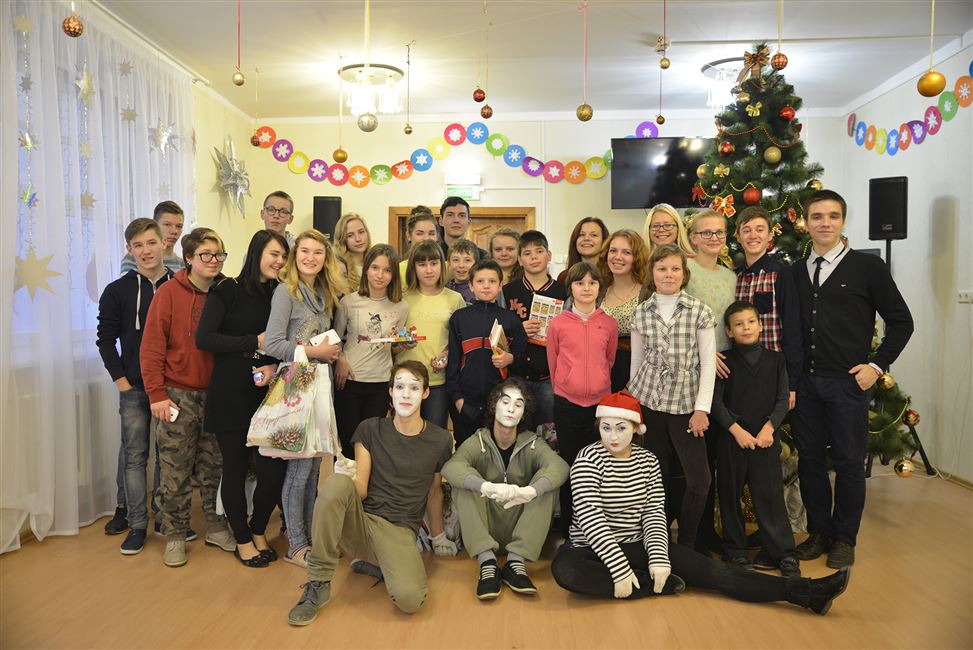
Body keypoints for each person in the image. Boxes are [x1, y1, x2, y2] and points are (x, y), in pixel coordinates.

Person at [551, 390, 850, 615]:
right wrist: (618, 568)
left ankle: (807, 593)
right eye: (606, 428)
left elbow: (654, 514)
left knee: (717, 573)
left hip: (639, 544)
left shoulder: (647, 461)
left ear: (636, 428)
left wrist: (658, 556)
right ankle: (648, 586)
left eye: (621, 428)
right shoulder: (588, 458)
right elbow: (591, 520)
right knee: (565, 570)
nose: (613, 436)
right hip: (591, 549)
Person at [791, 190, 913, 569]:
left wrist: (876, 367)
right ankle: (819, 532)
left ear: (843, 221)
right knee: (810, 461)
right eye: (816, 216)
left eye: (832, 216)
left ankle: (845, 538)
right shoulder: (796, 271)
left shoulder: (867, 267)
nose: (824, 223)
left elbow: (902, 322)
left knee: (847, 462)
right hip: (807, 384)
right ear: (805, 223)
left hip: (848, 384)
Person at [287, 361, 455, 626]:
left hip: (400, 532)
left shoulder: (440, 440)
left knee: (410, 600)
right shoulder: (370, 429)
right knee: (335, 484)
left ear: (425, 393)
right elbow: (361, 486)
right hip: (362, 524)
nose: (406, 394)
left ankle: (376, 563)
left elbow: (434, 492)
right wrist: (338, 494)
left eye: (414, 387)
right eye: (399, 387)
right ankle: (318, 582)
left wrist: (438, 536)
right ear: (390, 391)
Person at [140, 227, 236, 567]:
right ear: (189, 258)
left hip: (219, 395)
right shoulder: (168, 293)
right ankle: (175, 535)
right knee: (175, 470)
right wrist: (157, 395)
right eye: (206, 254)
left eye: (219, 254)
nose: (213, 260)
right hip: (176, 396)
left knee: (216, 468)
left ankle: (216, 527)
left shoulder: (228, 293)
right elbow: (151, 347)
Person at [195, 230, 289, 568]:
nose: (279, 261)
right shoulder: (227, 290)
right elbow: (205, 339)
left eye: (283, 256)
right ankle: (242, 539)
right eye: (274, 254)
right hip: (231, 390)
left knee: (272, 471)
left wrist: (272, 360)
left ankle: (258, 528)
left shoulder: (281, 293)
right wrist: (254, 342)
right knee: (234, 469)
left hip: (268, 392)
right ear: (257, 253)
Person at [264, 229, 348, 567]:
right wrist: (315, 351)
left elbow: (330, 337)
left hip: (320, 386)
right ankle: (296, 544)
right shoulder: (286, 292)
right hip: (295, 386)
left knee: (314, 470)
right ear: (294, 256)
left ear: (326, 258)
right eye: (304, 251)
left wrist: (331, 351)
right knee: (298, 472)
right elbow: (273, 345)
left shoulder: (324, 293)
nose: (310, 258)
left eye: (317, 252)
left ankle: (312, 538)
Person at [442, 377, 569, 599]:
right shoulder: (478, 441)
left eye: (518, 404)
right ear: (494, 405)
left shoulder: (532, 442)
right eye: (505, 401)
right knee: (464, 482)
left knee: (546, 483)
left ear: (524, 413)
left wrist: (530, 491)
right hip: (484, 527)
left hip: (522, 528)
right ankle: (487, 563)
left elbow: (560, 467)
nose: (511, 409)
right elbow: (451, 468)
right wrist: (486, 486)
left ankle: (515, 563)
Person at [629, 244, 716, 548]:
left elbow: (708, 364)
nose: (669, 274)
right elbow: (637, 362)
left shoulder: (699, 311)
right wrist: (634, 409)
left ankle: (688, 543)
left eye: (675, 268)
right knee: (657, 477)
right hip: (649, 402)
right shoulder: (641, 312)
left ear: (684, 273)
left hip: (686, 404)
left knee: (699, 478)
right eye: (662, 268)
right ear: (652, 273)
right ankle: (658, 539)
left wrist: (702, 409)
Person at [97, 218, 176, 552]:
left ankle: (164, 518)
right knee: (134, 457)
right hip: (134, 388)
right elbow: (105, 340)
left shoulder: (178, 286)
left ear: (163, 244)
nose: (146, 251)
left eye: (151, 243)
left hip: (171, 388)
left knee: (167, 457)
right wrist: (121, 382)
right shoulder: (117, 291)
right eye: (138, 245)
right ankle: (137, 524)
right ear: (129, 250)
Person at [712, 301, 799, 577]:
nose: (746, 328)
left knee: (770, 496)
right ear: (729, 331)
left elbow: (783, 400)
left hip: (764, 439)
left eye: (751, 322)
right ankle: (735, 550)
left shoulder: (776, 361)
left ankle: (783, 552)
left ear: (760, 326)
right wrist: (736, 430)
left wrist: (769, 429)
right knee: (730, 495)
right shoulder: (723, 362)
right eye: (738, 324)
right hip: (733, 439)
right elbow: (715, 402)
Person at [546, 261, 618, 536]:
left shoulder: (608, 323)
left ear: (600, 287)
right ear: (570, 288)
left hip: (599, 406)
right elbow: (553, 362)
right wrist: (566, 385)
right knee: (570, 465)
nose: (586, 288)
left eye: (592, 283)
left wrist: (598, 383)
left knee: (598, 466)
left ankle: (597, 529)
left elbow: (609, 360)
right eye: (579, 283)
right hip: (567, 404)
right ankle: (569, 528)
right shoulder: (558, 324)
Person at [684, 208, 738, 556]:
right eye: (706, 233)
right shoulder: (685, 273)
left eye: (719, 232)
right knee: (697, 458)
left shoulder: (731, 276)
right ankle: (696, 533)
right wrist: (704, 355)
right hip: (695, 369)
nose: (714, 238)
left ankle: (716, 531)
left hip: (727, 370)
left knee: (719, 454)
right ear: (693, 238)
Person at [333, 244, 410, 457]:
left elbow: (394, 344)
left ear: (393, 275)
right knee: (348, 441)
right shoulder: (348, 302)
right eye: (375, 267)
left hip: (380, 382)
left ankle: (366, 479)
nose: (380, 275)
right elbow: (335, 338)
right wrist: (341, 359)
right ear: (366, 269)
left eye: (387, 270)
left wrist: (404, 344)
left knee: (370, 442)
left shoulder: (401, 306)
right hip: (349, 380)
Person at [446, 259, 527, 445]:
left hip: (500, 402)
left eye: (492, 281)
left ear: (500, 285)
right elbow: (453, 364)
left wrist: (510, 358)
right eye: (480, 281)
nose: (486, 286)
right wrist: (458, 400)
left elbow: (523, 360)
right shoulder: (459, 318)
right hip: (466, 402)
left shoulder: (511, 319)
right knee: (466, 448)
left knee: (497, 449)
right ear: (471, 286)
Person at [733, 206, 803, 409]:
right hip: (738, 371)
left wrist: (791, 383)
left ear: (770, 235)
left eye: (760, 229)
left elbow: (792, 328)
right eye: (746, 230)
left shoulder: (781, 274)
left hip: (772, 372)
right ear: (738, 236)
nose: (753, 235)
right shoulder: (733, 277)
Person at [502, 230, 566, 429]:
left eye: (539, 251)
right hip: (516, 375)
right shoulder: (508, 291)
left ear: (549, 255)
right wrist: (518, 329)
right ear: (520, 260)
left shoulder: (562, 291)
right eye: (527, 253)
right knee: (516, 428)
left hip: (549, 377)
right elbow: (498, 331)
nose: (534, 257)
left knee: (547, 432)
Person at [397, 241, 465, 429]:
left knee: (434, 435)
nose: (428, 270)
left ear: (442, 265)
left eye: (434, 263)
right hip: (405, 379)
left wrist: (448, 354)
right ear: (413, 268)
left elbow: (461, 341)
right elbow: (393, 340)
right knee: (404, 435)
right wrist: (401, 344)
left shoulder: (455, 299)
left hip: (438, 382)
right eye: (422, 264)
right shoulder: (402, 298)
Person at [597, 229, 649, 392]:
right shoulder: (599, 290)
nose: (617, 257)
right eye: (613, 251)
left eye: (626, 252)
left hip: (636, 375)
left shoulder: (648, 293)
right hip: (601, 372)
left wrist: (632, 383)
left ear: (637, 258)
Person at [119, 201, 185, 276]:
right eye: (167, 224)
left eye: (179, 226)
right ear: (155, 225)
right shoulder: (133, 259)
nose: (174, 231)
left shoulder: (183, 264)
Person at [556, 217, 609, 285]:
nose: (586, 238)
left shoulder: (613, 276)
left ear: (604, 241)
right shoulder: (564, 277)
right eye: (581, 235)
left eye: (594, 235)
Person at [438, 196, 488, 261]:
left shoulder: (481, 257)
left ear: (469, 222)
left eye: (462, 215)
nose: (456, 220)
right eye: (450, 215)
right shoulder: (433, 253)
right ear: (441, 221)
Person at [399, 207, 440, 284]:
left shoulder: (446, 268)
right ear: (408, 236)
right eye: (420, 234)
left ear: (437, 236)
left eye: (431, 233)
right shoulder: (398, 270)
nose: (426, 238)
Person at [333, 212, 372, 288]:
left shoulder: (376, 262)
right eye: (350, 235)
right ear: (342, 239)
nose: (358, 239)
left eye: (361, 232)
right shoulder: (339, 268)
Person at [446, 239, 478, 305]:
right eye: (456, 260)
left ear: (476, 264)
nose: (461, 265)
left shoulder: (480, 291)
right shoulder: (443, 289)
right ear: (449, 263)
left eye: (467, 260)